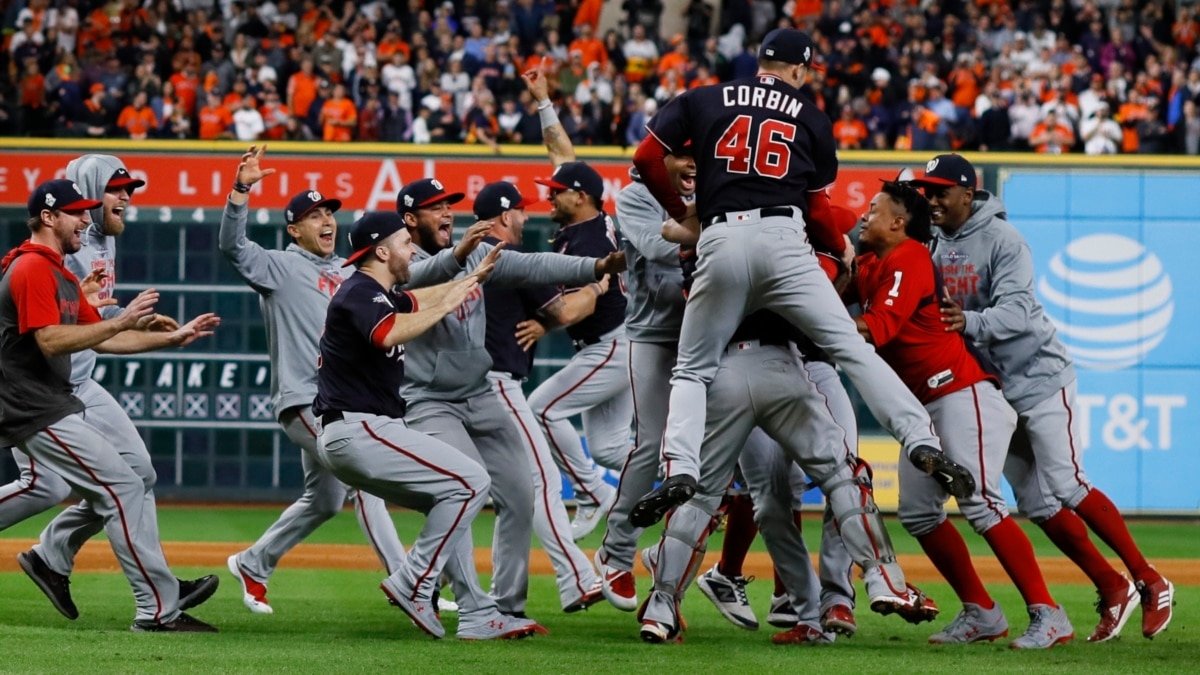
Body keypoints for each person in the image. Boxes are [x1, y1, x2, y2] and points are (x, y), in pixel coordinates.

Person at [629, 27, 973, 527]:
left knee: (692, 369)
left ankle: (680, 466)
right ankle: (920, 438)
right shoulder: (811, 116)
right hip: (785, 239)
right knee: (851, 350)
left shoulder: (702, 97)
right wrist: (840, 247)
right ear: (800, 70)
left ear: (759, 62)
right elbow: (815, 207)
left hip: (720, 237)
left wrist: (682, 211)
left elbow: (644, 159)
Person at [915, 153, 1175, 642]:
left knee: (1067, 482)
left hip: (1039, 378)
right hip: (993, 390)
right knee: (1036, 502)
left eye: (941, 191)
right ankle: (1111, 585)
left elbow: (1017, 311)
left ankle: (1149, 577)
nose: (931, 199)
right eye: (927, 191)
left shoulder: (1003, 239)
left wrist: (968, 321)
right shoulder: (933, 241)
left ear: (968, 194)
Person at [850, 179, 1072, 649]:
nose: (864, 216)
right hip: (925, 406)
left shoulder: (908, 256)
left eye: (874, 209)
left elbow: (880, 328)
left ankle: (1049, 614)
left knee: (982, 504)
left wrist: (818, 321)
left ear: (900, 222)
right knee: (918, 514)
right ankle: (982, 612)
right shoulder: (872, 261)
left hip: (961, 391)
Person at [397, 176, 626, 619]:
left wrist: (596, 268)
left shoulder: (482, 252)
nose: (447, 212)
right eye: (435, 207)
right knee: (464, 486)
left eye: (449, 205)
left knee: (521, 492)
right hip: (432, 399)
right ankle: (441, 592)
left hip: (480, 390)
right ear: (410, 220)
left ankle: (508, 606)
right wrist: (458, 256)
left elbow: (537, 266)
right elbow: (414, 281)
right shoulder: (403, 260)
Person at [1, 157, 218, 624]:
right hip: (35, 397)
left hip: (68, 388)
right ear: (50, 217)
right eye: (79, 209)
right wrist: (115, 317)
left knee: (135, 477)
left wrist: (169, 339)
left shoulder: (71, 259)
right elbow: (49, 337)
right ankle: (156, 606)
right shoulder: (36, 267)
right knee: (78, 486)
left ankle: (56, 557)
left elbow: (103, 331)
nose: (88, 214)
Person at [636, 309, 939, 644]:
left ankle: (661, 607)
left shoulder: (702, 257)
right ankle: (879, 580)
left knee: (707, 496)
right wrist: (842, 260)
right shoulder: (796, 257)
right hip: (787, 363)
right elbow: (834, 322)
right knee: (841, 479)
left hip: (717, 369)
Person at [311, 211, 542, 641]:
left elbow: (421, 300)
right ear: (381, 251)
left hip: (354, 433)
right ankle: (412, 581)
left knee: (445, 500)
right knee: (472, 481)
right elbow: (391, 333)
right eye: (403, 243)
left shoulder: (382, 294)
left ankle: (475, 613)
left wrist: (467, 282)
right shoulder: (361, 291)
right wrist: (453, 300)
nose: (410, 251)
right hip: (361, 429)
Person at [220, 146, 427, 615]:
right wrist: (241, 191)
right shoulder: (277, 266)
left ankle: (254, 562)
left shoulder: (349, 271)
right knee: (367, 479)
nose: (326, 220)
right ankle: (409, 584)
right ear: (294, 230)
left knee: (325, 499)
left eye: (329, 212)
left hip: (342, 398)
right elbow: (232, 247)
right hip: (306, 399)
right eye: (314, 216)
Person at [477, 180, 607, 613]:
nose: (526, 216)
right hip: (498, 383)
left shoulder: (468, 257)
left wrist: (541, 322)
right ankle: (577, 578)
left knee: (511, 495)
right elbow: (567, 311)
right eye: (519, 210)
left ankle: (504, 599)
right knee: (544, 482)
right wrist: (597, 286)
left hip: (468, 387)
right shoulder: (507, 257)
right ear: (502, 216)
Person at [523, 66, 631, 541]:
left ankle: (591, 492)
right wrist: (544, 101)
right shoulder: (592, 218)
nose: (549, 196)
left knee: (542, 409)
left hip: (607, 344)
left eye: (556, 193)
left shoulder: (587, 242)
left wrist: (541, 325)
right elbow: (562, 156)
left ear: (580, 197)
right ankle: (687, 483)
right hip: (622, 343)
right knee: (610, 448)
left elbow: (578, 309)